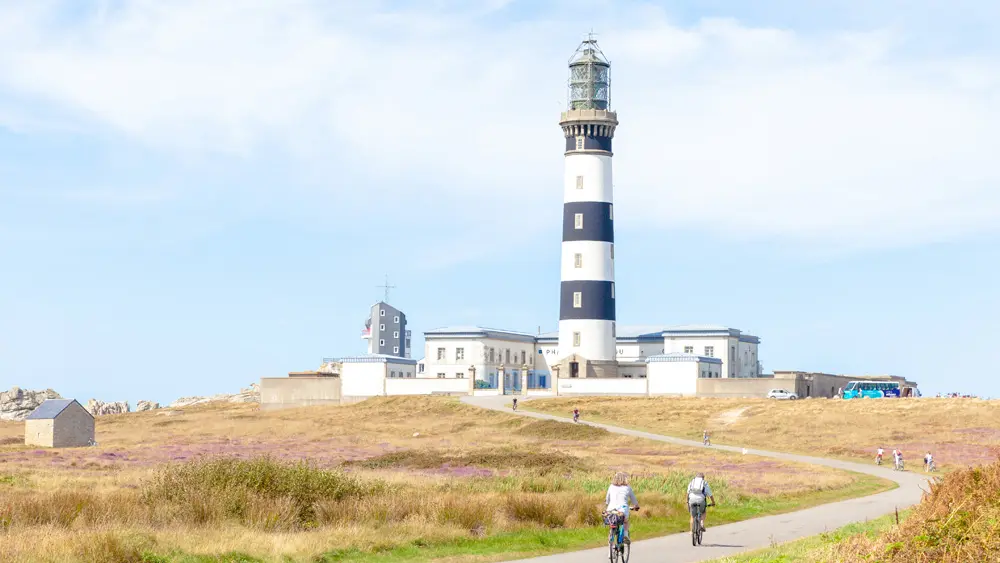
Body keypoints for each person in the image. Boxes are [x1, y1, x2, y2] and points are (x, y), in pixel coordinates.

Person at [605, 471, 639, 543]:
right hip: (622, 510)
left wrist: (607, 504)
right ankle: (625, 535)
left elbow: (607, 500)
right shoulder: (627, 488)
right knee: (625, 521)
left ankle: (611, 536)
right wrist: (636, 506)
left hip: (611, 509)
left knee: (612, 521)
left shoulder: (611, 486)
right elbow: (634, 500)